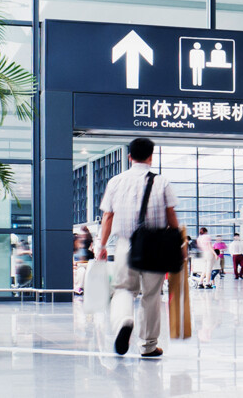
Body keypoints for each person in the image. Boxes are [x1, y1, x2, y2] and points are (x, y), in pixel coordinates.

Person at [97, 137, 180, 358]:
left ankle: (125, 320)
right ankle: (148, 346)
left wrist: (101, 245)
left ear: (129, 157)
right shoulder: (162, 182)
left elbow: (107, 216)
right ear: (151, 157)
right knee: (151, 295)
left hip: (125, 244)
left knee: (124, 289)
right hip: (156, 244)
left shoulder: (116, 181)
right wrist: (178, 242)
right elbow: (171, 215)